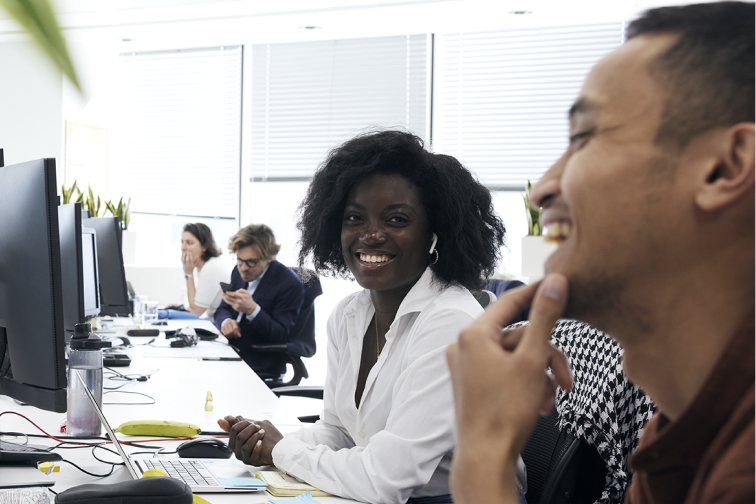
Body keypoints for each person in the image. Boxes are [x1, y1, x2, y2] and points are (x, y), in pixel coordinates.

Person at [446, 3, 754, 504]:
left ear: (723, 167)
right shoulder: (678, 427)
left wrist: (484, 453)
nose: (542, 188)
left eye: (584, 137)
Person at [218, 130, 521, 504]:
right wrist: (268, 442)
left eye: (396, 219)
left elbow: (385, 480)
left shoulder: (451, 323)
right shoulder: (349, 315)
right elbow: (341, 433)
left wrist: (283, 452)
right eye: (354, 217)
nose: (371, 234)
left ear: (435, 234)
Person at [213, 224, 305, 377]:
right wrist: (226, 322)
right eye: (240, 260)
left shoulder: (289, 284)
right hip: (229, 351)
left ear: (268, 257)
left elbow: (281, 334)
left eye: (251, 262)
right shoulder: (238, 271)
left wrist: (253, 310)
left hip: (260, 362)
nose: (244, 268)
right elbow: (222, 309)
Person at [169, 223, 229, 318]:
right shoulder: (202, 266)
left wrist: (188, 273)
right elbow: (195, 306)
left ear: (204, 246)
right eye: (182, 242)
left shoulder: (211, 267)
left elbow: (196, 311)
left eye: (189, 243)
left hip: (218, 325)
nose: (183, 248)